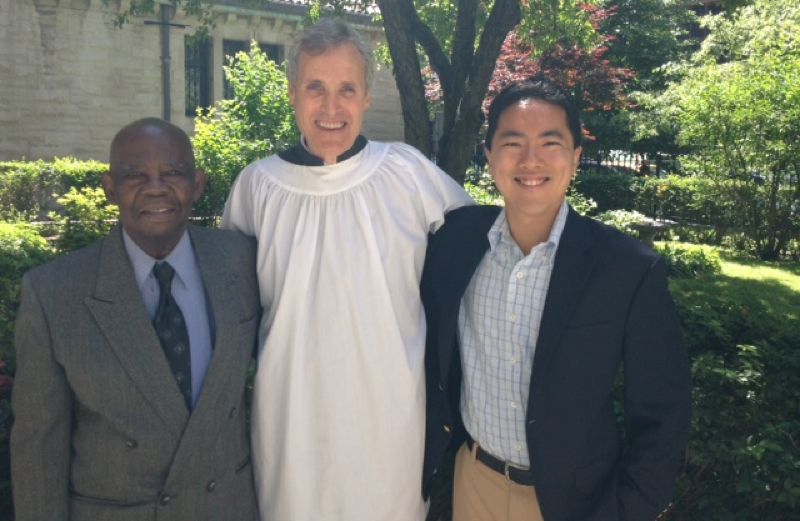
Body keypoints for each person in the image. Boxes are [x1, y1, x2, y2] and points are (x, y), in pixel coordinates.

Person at [222, 18, 472, 521]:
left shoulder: (407, 173)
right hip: (290, 417)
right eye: (316, 88)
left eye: (346, 89)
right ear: (293, 93)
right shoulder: (257, 187)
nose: (331, 107)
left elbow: (473, 257)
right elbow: (231, 309)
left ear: (366, 96)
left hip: (389, 419)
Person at [421, 79, 691, 521]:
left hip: (575, 501)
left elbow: (663, 411)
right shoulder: (456, 242)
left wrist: (629, 511)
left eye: (551, 143)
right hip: (474, 482)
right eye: (512, 142)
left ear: (575, 158)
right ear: (488, 156)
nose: (530, 160)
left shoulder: (626, 268)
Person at [11, 118, 261, 521]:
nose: (156, 187)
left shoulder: (243, 261)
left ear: (197, 185)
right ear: (110, 188)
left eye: (173, 173)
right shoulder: (54, 293)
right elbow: (39, 447)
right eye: (134, 175)